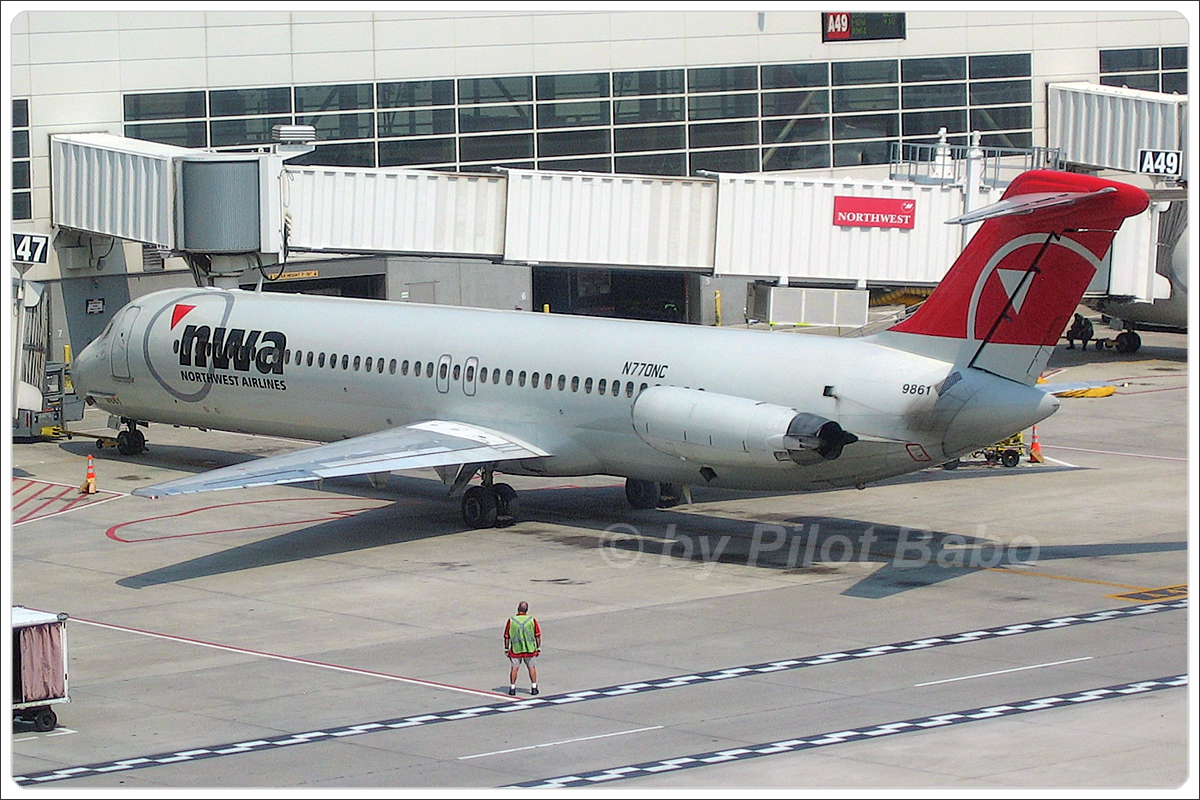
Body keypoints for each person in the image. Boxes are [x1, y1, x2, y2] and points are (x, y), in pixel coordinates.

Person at [504, 600, 541, 696]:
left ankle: (512, 688)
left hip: (516, 649)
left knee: (514, 668)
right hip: (529, 649)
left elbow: (507, 636)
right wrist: (538, 647)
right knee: (531, 667)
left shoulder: (511, 620)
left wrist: (507, 648)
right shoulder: (532, 620)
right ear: (527, 610)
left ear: (518, 609)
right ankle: (533, 687)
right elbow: (537, 635)